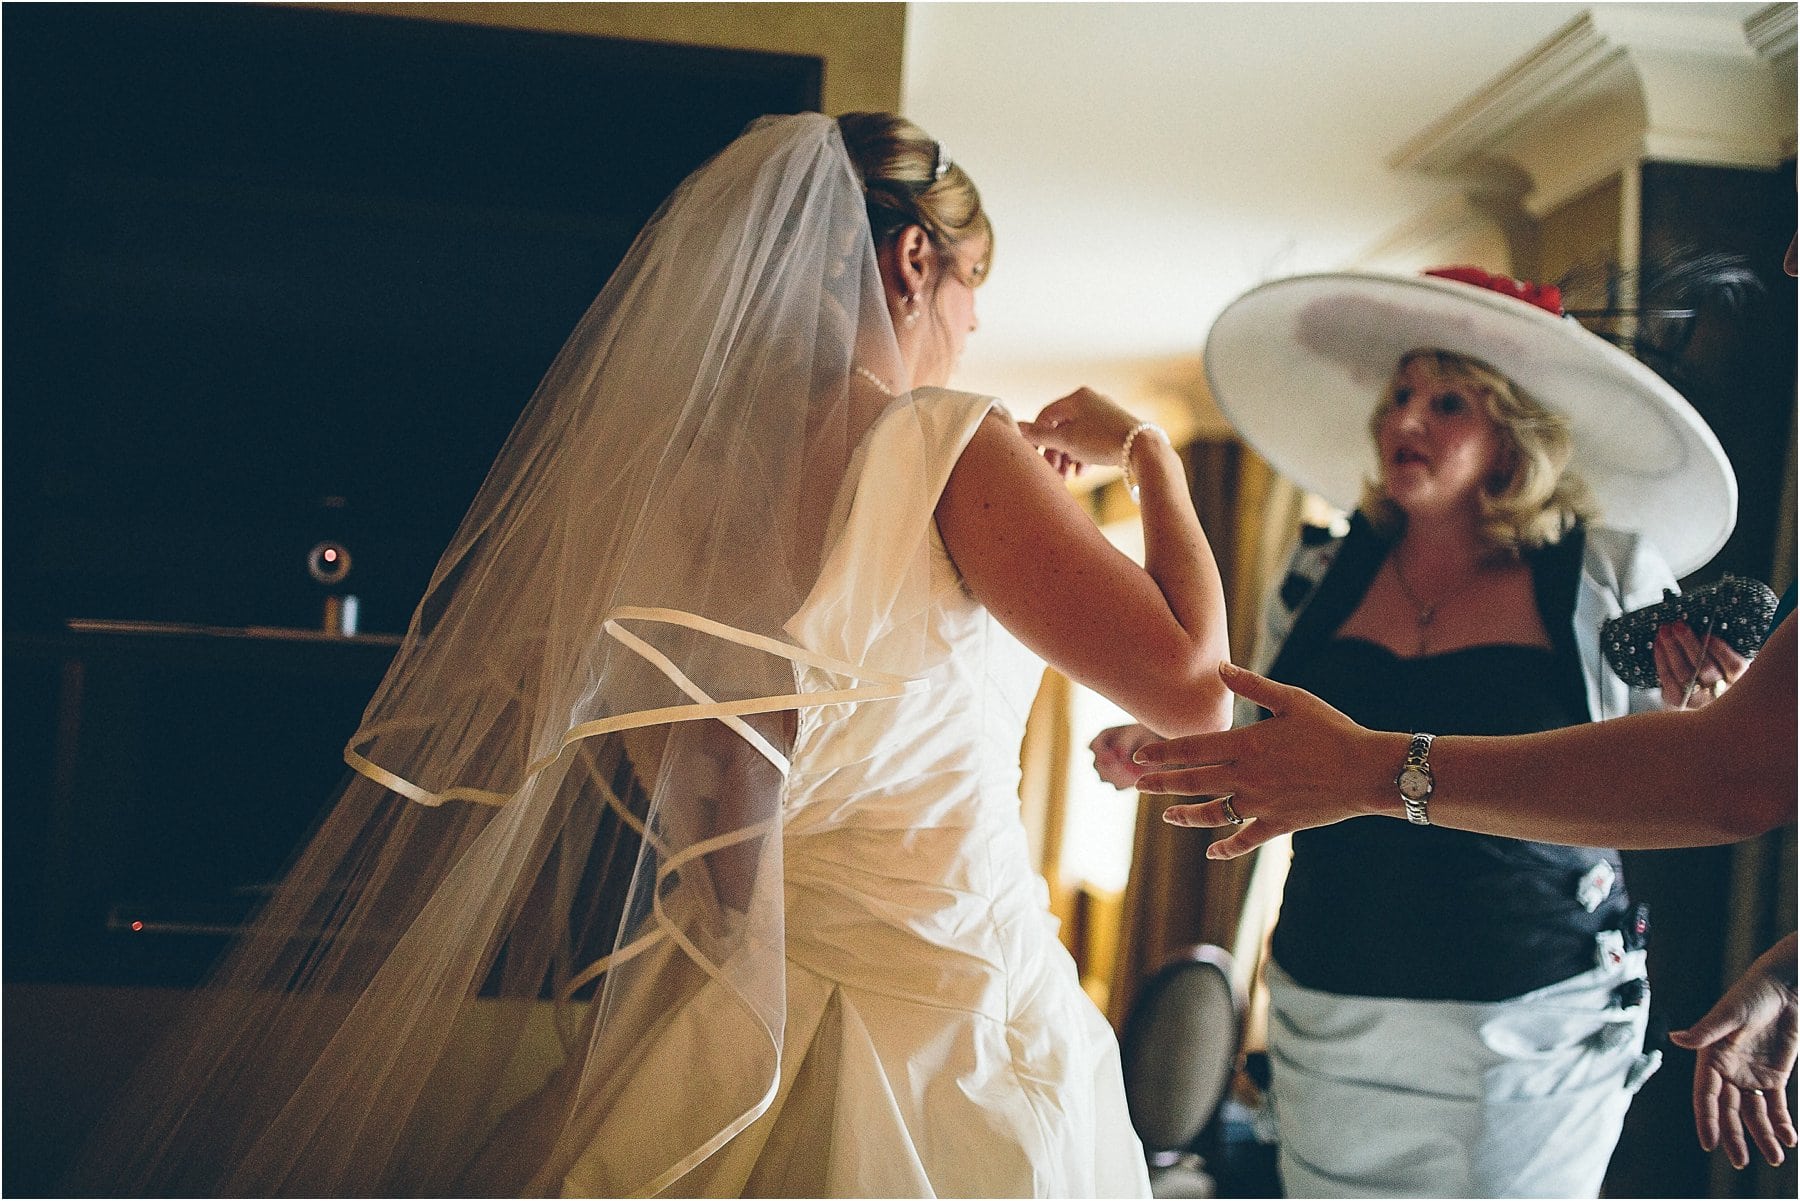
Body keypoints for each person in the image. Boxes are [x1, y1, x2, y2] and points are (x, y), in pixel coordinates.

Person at [69, 112, 1234, 1198]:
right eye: (974, 284)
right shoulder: (951, 442)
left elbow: (727, 808)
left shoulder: (672, 488)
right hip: (957, 1025)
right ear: (916, 260)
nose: (975, 323)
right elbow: (1195, 694)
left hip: (727, 1010)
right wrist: (1151, 459)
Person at [1140, 246, 1800, 1175]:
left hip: (1526, 1026)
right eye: (1400, 395)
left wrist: (1705, 664)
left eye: (1448, 401)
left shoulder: (1601, 573)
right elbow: (1255, 747)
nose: (1406, 417)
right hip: (1327, 1007)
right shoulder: (1318, 575)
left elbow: (1707, 738)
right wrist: (1162, 744)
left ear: (1512, 433)